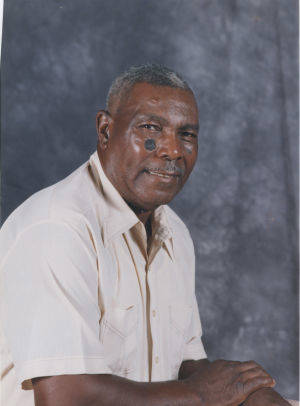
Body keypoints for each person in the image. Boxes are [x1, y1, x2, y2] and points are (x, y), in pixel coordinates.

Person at [0, 65, 291, 406]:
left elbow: (184, 366)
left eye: (187, 134)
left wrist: (250, 396)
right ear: (105, 131)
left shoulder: (174, 233)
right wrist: (200, 394)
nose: (172, 150)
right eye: (151, 128)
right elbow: (66, 398)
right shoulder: (56, 229)